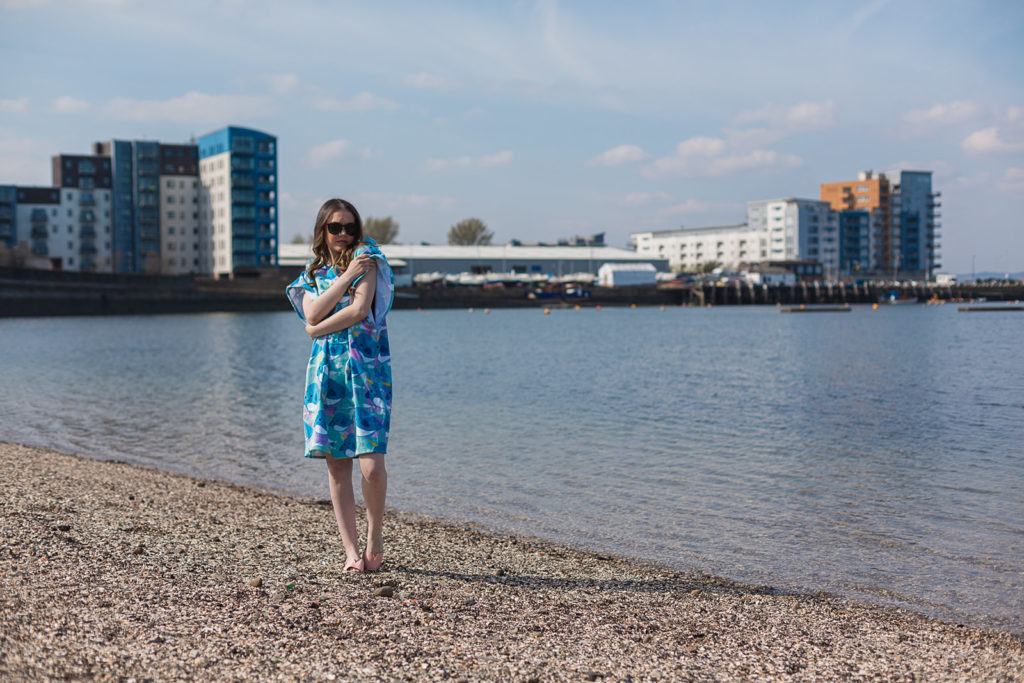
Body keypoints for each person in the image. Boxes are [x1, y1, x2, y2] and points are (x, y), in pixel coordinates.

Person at [285, 198, 395, 573]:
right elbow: (312, 309)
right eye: (336, 227)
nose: (344, 234)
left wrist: (315, 330)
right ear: (323, 230)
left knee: (371, 466)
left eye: (350, 226)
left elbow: (359, 310)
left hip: (366, 370)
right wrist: (346, 279)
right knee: (337, 467)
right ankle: (351, 552)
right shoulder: (314, 271)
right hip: (327, 371)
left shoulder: (369, 257)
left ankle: (374, 536)